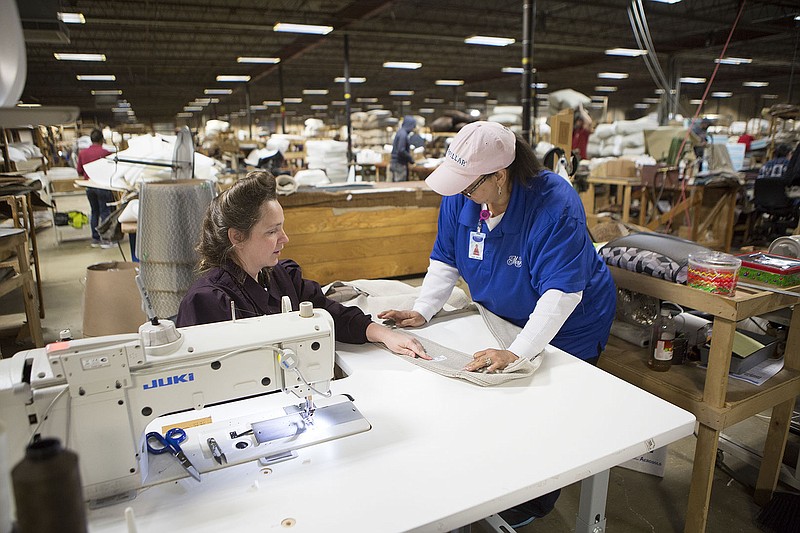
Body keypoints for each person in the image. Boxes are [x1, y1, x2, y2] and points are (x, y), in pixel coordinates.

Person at [379, 121, 616, 527]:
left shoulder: (554, 203)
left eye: (469, 187)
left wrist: (518, 352)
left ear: (500, 175)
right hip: (504, 317)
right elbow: (446, 257)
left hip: (570, 323)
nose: (461, 195)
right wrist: (424, 309)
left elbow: (561, 294)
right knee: (501, 408)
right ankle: (496, 477)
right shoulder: (463, 196)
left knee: (549, 412)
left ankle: (533, 501)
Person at [176, 171, 428, 360]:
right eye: (272, 231)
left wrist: (384, 334)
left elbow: (329, 313)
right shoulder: (208, 301)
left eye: (282, 228)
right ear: (237, 237)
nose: (285, 239)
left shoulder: (280, 277)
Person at [76, 129, 115, 248]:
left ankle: (95, 239)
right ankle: (106, 240)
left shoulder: (82, 153)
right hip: (102, 185)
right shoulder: (106, 153)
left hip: (89, 186)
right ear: (102, 140)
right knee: (105, 212)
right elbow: (112, 170)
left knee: (94, 212)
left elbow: (79, 171)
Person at [390, 115, 417, 182]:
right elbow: (401, 150)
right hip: (399, 164)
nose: (413, 128)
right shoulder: (403, 135)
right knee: (400, 186)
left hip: (395, 163)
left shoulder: (400, 132)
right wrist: (411, 159)